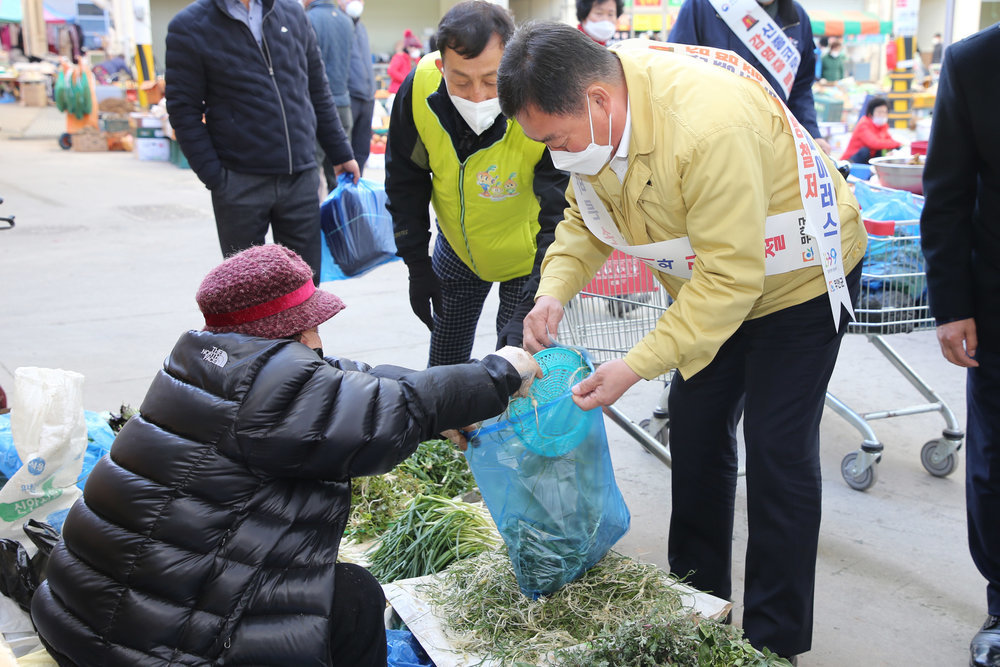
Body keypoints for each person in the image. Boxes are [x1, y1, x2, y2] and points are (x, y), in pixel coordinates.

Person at [498, 23, 867, 662]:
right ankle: (697, 611)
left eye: (555, 138)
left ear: (599, 101)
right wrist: (553, 290)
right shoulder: (599, 125)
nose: (555, 155)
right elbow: (586, 218)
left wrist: (636, 366)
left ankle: (774, 643)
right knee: (696, 435)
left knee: (778, 452)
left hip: (796, 285)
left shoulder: (706, 127)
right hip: (709, 285)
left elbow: (733, 278)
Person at [30, 244, 541, 667]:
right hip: (137, 651)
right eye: (311, 325)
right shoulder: (274, 388)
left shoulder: (208, 360)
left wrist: (437, 415)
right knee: (351, 597)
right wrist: (498, 373)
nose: (319, 338)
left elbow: (354, 383)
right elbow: (386, 408)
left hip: (75, 619)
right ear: (284, 332)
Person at [385, 1, 569, 367]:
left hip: (527, 257)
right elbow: (406, 181)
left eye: (491, 79)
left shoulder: (540, 99)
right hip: (457, 250)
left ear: (512, 66)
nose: (477, 96)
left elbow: (560, 210)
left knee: (517, 369)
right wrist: (416, 266)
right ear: (441, 67)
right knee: (443, 371)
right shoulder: (418, 89)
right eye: (461, 80)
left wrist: (537, 296)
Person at [165, 0, 360, 285]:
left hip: (300, 177)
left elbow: (317, 88)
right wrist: (216, 178)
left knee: (305, 290)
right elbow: (183, 110)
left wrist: (341, 152)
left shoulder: (291, 12)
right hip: (239, 182)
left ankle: (301, 333)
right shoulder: (189, 26)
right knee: (247, 295)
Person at [919, 23, 1000, 667]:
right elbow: (945, 194)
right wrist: (952, 307)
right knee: (996, 460)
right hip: (996, 299)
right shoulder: (975, 63)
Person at [669, 0, 832, 155]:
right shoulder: (703, 5)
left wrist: (812, 134)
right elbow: (675, 72)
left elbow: (800, 88)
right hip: (711, 142)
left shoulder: (797, 17)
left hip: (773, 146)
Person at [306, 0, 355, 194]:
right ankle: (340, 220)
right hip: (343, 105)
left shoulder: (307, 20)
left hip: (317, 106)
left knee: (312, 171)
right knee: (340, 171)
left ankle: (314, 222)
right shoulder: (347, 21)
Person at [338, 0, 376, 175]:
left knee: (362, 149)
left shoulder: (362, 28)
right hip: (349, 96)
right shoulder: (337, 24)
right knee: (345, 151)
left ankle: (355, 188)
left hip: (367, 97)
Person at [840, 97, 901, 164]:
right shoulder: (864, 124)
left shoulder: (883, 126)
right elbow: (875, 143)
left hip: (868, 159)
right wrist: (897, 143)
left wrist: (897, 146)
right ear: (871, 113)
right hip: (851, 160)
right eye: (879, 112)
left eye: (885, 112)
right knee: (866, 150)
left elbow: (889, 140)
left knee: (881, 151)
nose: (882, 115)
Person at [388, 29, 423, 94]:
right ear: (407, 47)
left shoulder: (417, 59)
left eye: (417, 48)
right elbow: (391, 71)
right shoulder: (399, 57)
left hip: (410, 91)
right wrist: (406, 80)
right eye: (414, 47)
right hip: (397, 91)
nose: (416, 49)